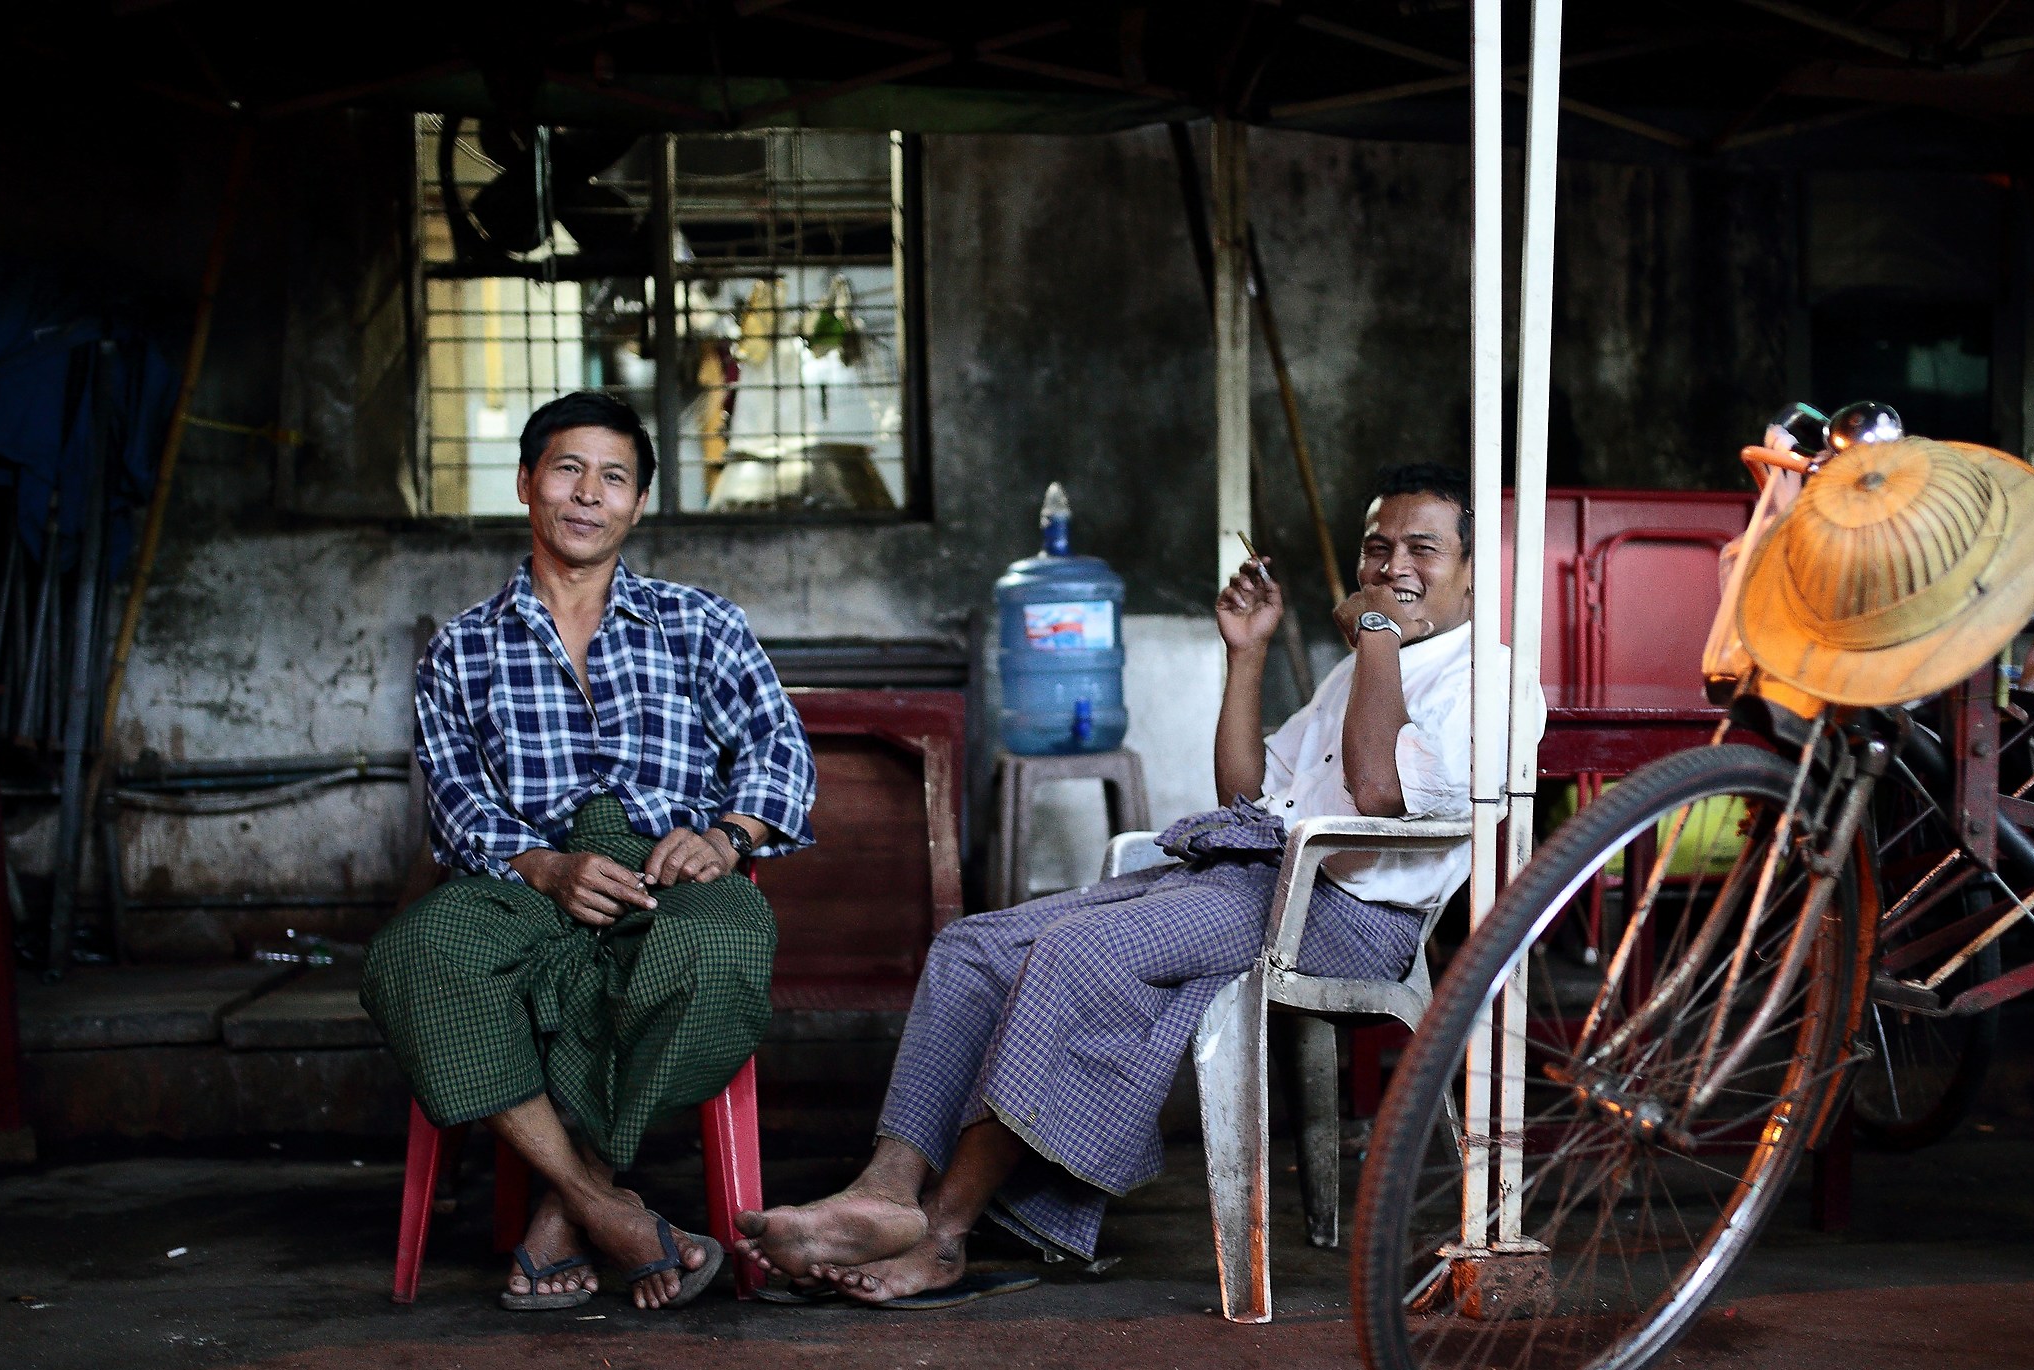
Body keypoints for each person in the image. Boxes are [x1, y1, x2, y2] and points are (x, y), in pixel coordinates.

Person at [736, 462, 1525, 1304]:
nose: (1393, 566)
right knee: (971, 948)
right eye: (1377, 548)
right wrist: (1247, 652)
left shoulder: (1491, 680)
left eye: (1423, 550)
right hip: (1256, 878)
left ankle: (943, 1233)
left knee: (1077, 955)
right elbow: (1245, 795)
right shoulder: (1361, 667)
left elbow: (1376, 793)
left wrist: (1372, 628)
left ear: (1474, 571)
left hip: (1346, 916)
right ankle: (885, 1191)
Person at [362, 392, 815, 1312]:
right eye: (567, 469)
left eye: (613, 477)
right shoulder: (462, 650)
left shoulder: (700, 624)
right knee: (413, 956)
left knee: (722, 945)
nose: (587, 494)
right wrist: (545, 867)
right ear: (526, 482)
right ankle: (609, 1212)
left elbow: (783, 754)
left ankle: (569, 1208)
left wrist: (726, 837)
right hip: (524, 875)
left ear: (638, 503)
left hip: (666, 871)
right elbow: (455, 804)